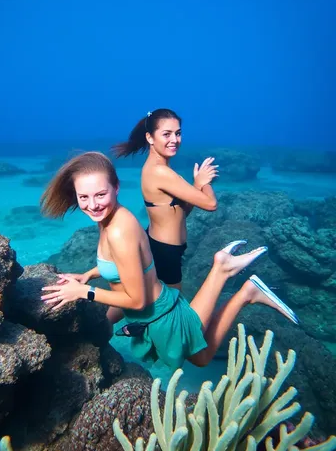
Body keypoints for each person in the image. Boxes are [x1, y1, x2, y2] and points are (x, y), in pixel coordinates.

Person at [40, 152, 299, 370]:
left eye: (100, 195)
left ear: (116, 187)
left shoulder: (119, 229)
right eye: (83, 197)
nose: (93, 205)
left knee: (202, 358)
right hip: (157, 309)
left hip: (161, 315)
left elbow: (137, 300)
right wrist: (89, 274)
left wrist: (83, 291)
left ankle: (237, 283)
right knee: (199, 356)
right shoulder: (110, 218)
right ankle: (228, 273)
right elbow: (127, 263)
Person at [112, 108, 218, 290]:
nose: (174, 140)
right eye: (166, 134)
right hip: (165, 252)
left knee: (143, 299)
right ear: (150, 138)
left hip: (162, 246)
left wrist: (197, 184)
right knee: (172, 311)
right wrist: (204, 182)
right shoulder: (160, 172)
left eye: (178, 133)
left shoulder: (159, 169)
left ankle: (103, 319)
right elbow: (211, 204)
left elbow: (182, 212)